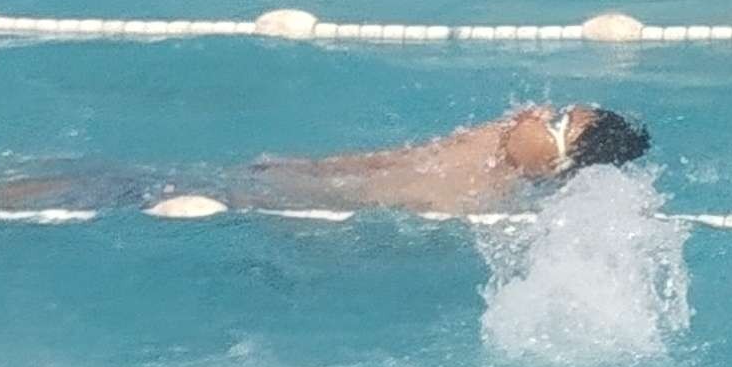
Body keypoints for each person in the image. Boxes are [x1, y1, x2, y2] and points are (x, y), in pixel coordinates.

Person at [237, 101, 653, 215]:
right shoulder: (493, 147)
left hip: (407, 195)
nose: (541, 110)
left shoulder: (466, 187)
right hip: (387, 176)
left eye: (557, 119)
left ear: (554, 163)